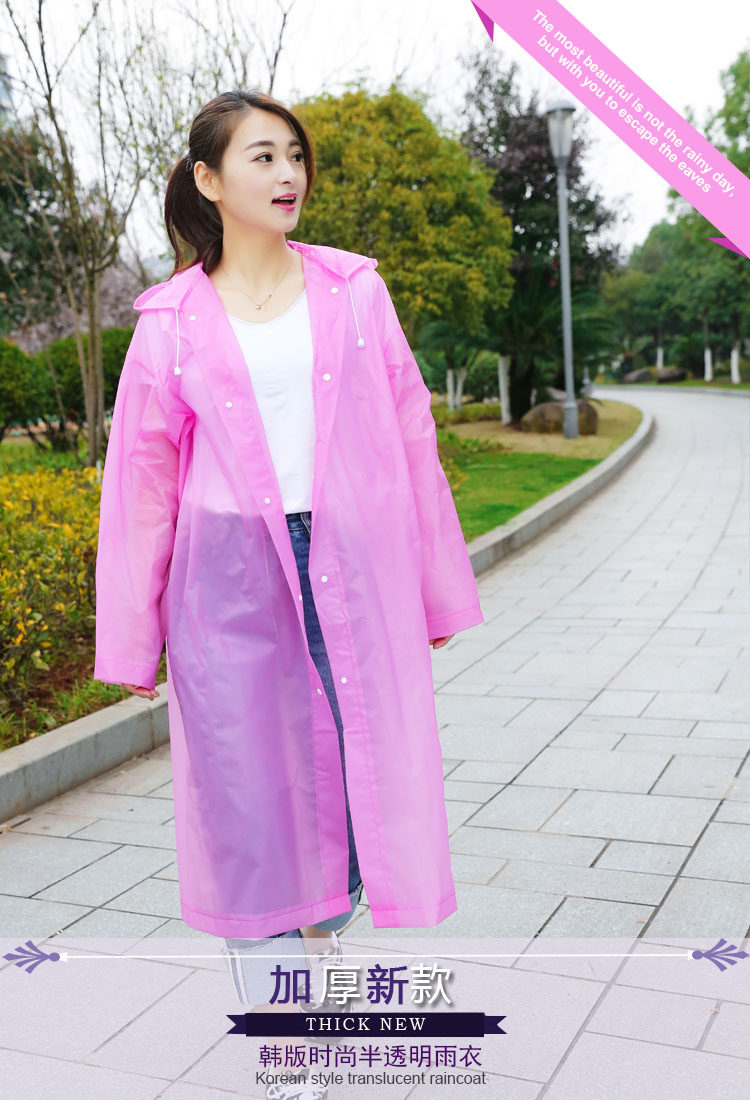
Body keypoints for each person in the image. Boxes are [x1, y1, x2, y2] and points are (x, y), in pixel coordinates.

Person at [94, 89, 484, 1053]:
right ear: (209, 179)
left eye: (295, 156)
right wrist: (133, 638)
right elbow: (141, 484)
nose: (288, 175)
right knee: (250, 803)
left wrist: (437, 584)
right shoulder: (169, 321)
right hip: (227, 584)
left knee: (355, 779)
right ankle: (289, 1030)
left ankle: (320, 951)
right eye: (262, 157)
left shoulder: (354, 291)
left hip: (350, 566)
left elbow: (411, 433)